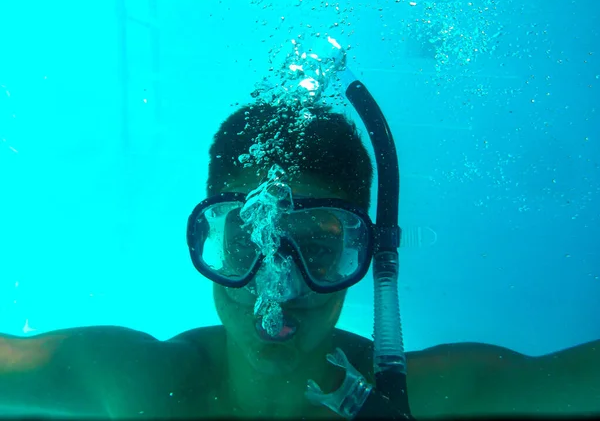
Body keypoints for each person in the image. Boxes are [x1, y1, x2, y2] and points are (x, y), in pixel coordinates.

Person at [1, 82, 599, 419]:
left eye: (319, 246)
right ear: (211, 242)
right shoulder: (143, 386)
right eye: (248, 243)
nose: (278, 286)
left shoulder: (415, 395)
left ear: (369, 257)